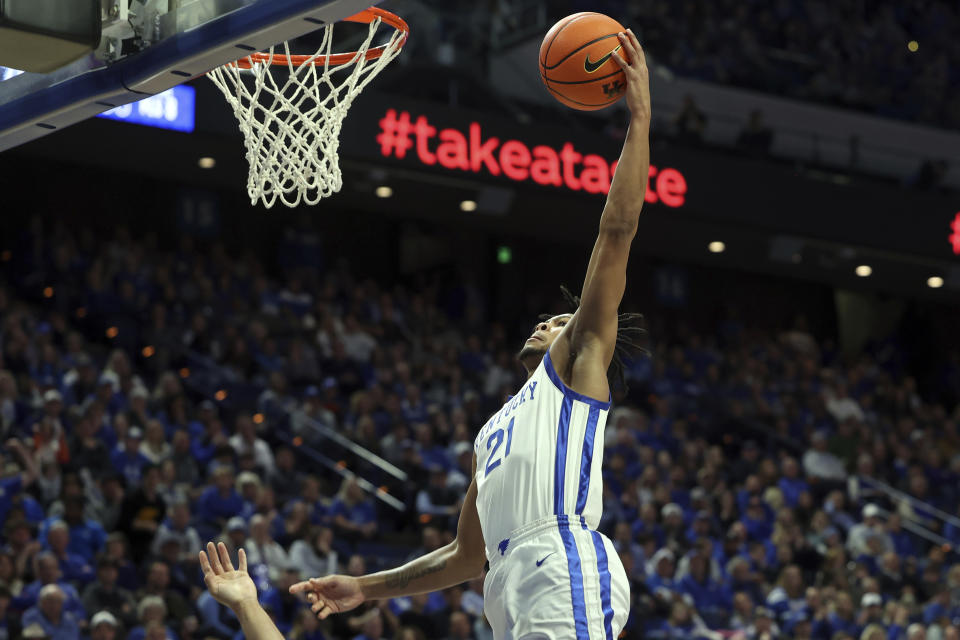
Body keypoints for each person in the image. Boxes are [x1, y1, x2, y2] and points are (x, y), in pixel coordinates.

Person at [289, 29, 651, 640]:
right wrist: (367, 587)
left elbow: (616, 231)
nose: (550, 321)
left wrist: (638, 120)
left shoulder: (581, 364)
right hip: (505, 586)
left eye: (563, 320)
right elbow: (463, 558)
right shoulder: (494, 432)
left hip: (562, 562)